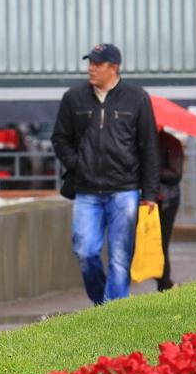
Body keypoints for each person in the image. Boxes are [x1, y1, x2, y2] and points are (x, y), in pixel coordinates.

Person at [51, 43, 160, 305]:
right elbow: (60, 138)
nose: (91, 69)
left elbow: (149, 147)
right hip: (86, 190)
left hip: (125, 190)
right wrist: (78, 164)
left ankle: (115, 312)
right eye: (89, 63)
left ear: (113, 68)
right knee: (85, 252)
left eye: (97, 64)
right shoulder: (73, 98)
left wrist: (150, 193)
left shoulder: (137, 98)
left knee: (120, 258)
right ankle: (103, 305)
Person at [156, 131, 185, 292]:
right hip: (147, 199)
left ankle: (164, 285)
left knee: (161, 244)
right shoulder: (137, 139)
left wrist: (152, 167)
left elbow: (176, 174)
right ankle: (165, 282)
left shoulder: (171, 143)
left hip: (166, 200)